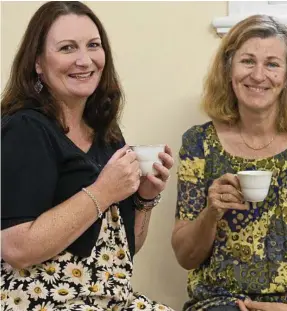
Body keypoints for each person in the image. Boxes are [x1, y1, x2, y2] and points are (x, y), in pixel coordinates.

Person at [172, 14, 287, 311]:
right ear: (228, 68)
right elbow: (185, 257)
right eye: (247, 61)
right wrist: (211, 212)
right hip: (224, 298)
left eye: (272, 64)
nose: (258, 75)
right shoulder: (199, 143)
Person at [1, 2, 174, 310]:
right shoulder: (25, 128)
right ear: (38, 62)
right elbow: (16, 248)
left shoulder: (106, 131)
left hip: (109, 299)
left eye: (93, 45)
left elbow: (123, 251)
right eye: (67, 48)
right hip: (42, 301)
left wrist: (144, 199)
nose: (84, 60)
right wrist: (102, 191)